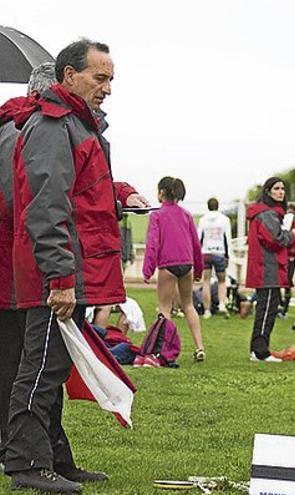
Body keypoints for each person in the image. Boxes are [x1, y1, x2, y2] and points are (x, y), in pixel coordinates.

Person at [7, 39, 149, 492]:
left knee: (53, 366)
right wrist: (61, 279)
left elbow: (83, 196)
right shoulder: (52, 127)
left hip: (74, 270)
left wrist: (121, 194)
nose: (107, 88)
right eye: (99, 77)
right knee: (39, 367)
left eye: (110, 80)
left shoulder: (78, 127)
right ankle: (25, 463)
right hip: (56, 275)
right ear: (69, 76)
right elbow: (46, 207)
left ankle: (54, 458)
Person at [0, 62, 56, 478]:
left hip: (12, 265)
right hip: (13, 268)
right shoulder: (20, 131)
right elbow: (21, 200)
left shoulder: (14, 128)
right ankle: (17, 450)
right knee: (19, 363)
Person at [142, 177, 206, 362]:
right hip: (187, 264)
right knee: (188, 305)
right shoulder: (186, 215)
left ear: (161, 192)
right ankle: (199, 347)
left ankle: (166, 350)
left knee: (165, 308)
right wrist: (199, 270)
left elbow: (152, 244)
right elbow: (195, 244)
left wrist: (147, 270)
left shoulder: (157, 215)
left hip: (168, 265)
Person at [246, 177, 293, 362]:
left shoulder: (269, 213)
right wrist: (291, 234)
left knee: (269, 308)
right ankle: (260, 351)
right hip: (266, 268)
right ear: (268, 191)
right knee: (266, 309)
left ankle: (258, 348)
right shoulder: (267, 214)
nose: (281, 192)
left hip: (268, 267)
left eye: (283, 188)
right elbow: (275, 239)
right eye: (276, 188)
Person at [198, 197, 233, 318]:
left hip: (206, 252)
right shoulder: (225, 220)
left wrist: (197, 255)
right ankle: (221, 304)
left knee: (206, 281)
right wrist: (228, 256)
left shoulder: (203, 220)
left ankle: (207, 310)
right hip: (219, 252)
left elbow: (199, 238)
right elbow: (227, 239)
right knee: (222, 281)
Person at [279, 204, 295, 317]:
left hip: (290, 257)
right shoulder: (280, 223)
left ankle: (285, 308)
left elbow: (294, 240)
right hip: (280, 256)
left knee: (287, 282)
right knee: (277, 282)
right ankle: (279, 304)